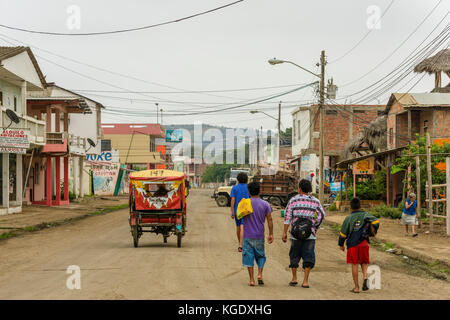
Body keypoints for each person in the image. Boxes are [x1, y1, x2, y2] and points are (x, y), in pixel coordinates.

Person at [283, 179, 325, 288]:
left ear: (300, 189)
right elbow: (322, 215)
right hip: (310, 235)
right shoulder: (315, 201)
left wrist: (284, 233)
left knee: (294, 255)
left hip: (295, 234)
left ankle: (294, 278)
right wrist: (314, 227)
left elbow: (287, 217)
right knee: (308, 256)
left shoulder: (293, 200)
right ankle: (305, 281)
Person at [338, 197, 380, 293]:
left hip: (353, 244)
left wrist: (341, 244)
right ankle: (365, 277)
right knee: (364, 262)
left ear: (350, 207)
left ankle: (356, 288)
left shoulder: (348, 218)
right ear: (360, 206)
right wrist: (371, 232)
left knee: (355, 264)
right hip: (364, 243)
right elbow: (376, 222)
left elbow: (343, 234)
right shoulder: (365, 215)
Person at [242, 181, 274, 286]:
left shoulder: (244, 203)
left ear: (249, 192)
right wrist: (271, 234)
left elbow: (239, 217)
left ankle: (251, 280)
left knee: (249, 257)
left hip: (247, 235)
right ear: (260, 191)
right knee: (260, 256)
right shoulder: (265, 204)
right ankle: (260, 274)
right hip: (259, 235)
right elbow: (270, 220)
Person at [230, 172, 249, 252]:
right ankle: (241, 245)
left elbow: (233, 199)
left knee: (238, 226)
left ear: (237, 179)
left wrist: (232, 211)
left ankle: (240, 244)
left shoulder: (234, 188)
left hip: (237, 210)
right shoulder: (248, 187)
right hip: (246, 209)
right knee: (243, 226)